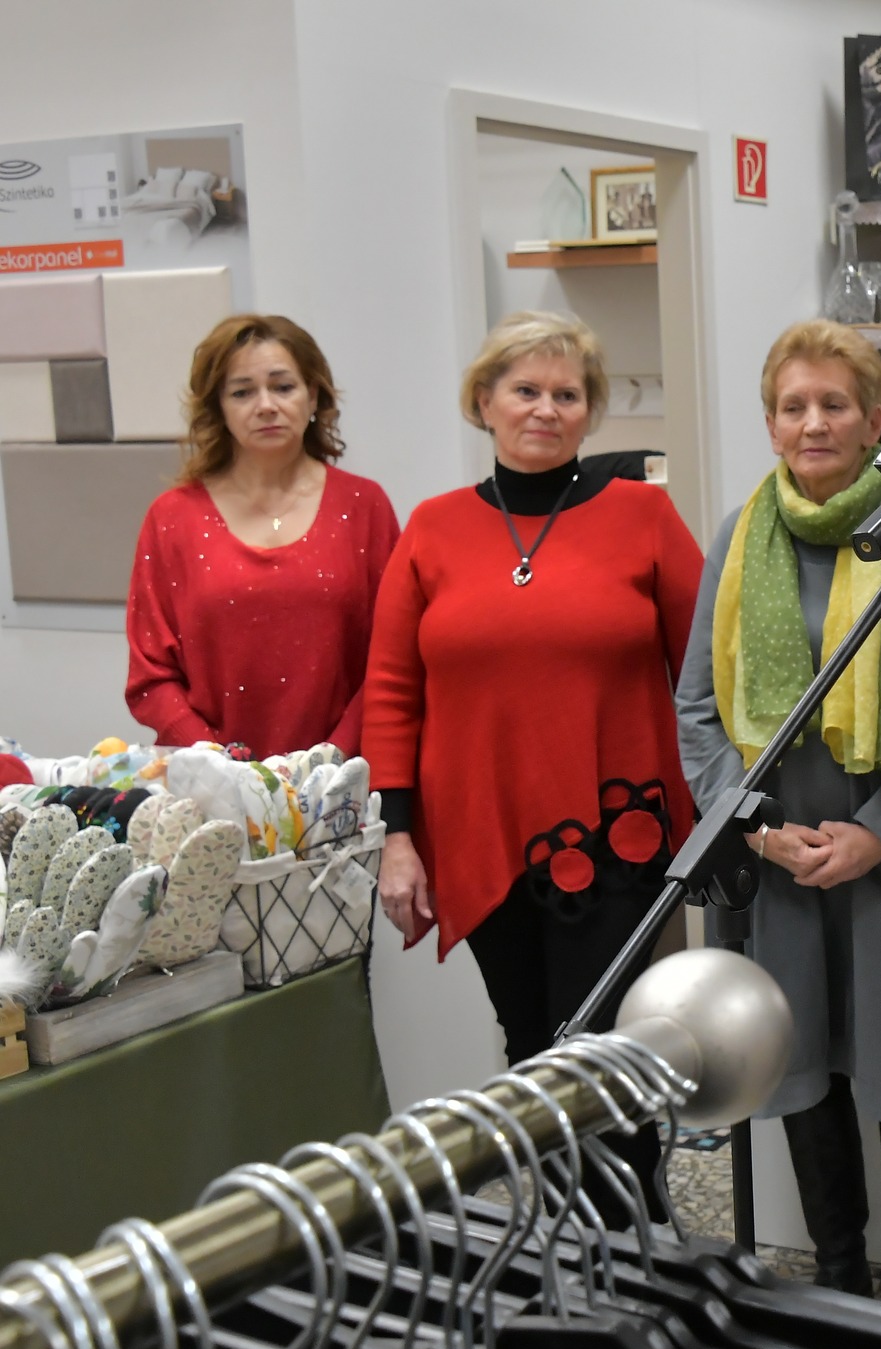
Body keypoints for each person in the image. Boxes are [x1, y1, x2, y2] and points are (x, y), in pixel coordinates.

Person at [362, 311, 705, 1207]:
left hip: (618, 832)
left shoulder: (644, 515)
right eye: (525, 390)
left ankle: (628, 1246)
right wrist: (398, 837)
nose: (546, 409)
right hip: (480, 831)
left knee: (601, 1049)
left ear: (590, 411)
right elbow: (392, 694)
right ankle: (567, 1244)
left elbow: (706, 669)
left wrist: (720, 806)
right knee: (530, 1049)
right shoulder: (431, 530)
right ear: (484, 402)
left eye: (567, 393)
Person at [675, 319, 881, 1315]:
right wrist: (752, 830)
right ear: (770, 423)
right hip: (775, 861)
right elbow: (696, 707)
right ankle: (841, 1292)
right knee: (799, 1061)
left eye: (834, 404)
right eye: (794, 405)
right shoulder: (738, 537)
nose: (814, 423)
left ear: (874, 420)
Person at [127, 314, 400, 756]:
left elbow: (393, 658)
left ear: (313, 396)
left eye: (283, 387)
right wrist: (219, 765)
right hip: (207, 781)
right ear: (218, 408)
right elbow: (151, 676)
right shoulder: (171, 517)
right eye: (242, 392)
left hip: (344, 778)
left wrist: (332, 759)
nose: (266, 405)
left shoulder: (364, 506)